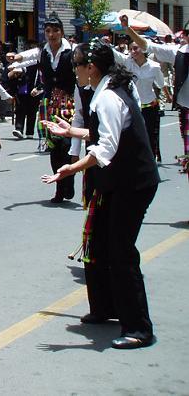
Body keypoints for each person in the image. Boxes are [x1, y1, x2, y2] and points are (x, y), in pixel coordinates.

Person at [41, 40, 159, 350]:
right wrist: (72, 133)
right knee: (100, 244)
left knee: (122, 252)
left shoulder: (108, 97)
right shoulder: (105, 91)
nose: (74, 71)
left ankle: (139, 327)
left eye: (76, 65)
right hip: (118, 182)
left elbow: (106, 148)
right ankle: (106, 308)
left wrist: (70, 168)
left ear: (91, 68)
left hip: (133, 183)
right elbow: (106, 133)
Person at [8, 15, 77, 203]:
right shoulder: (42, 51)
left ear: (62, 32)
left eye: (55, 30)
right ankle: (59, 188)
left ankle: (67, 181)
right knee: (54, 149)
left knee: (67, 146)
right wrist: (17, 57)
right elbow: (27, 57)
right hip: (49, 105)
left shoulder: (72, 51)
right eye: (48, 31)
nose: (51, 34)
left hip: (69, 104)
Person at [120, 16, 188, 168]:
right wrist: (127, 29)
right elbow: (148, 45)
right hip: (185, 107)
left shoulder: (155, 66)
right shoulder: (179, 53)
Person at [10, 39, 40, 140]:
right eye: (29, 48)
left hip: (35, 88)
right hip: (23, 87)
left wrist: (38, 88)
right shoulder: (21, 60)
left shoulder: (40, 61)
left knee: (32, 109)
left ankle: (30, 132)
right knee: (20, 108)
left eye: (33, 48)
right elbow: (11, 68)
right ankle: (19, 128)